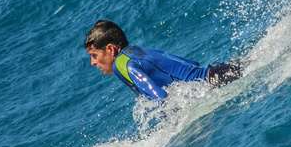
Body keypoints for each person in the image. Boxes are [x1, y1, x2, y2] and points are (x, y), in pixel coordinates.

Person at [82, 19, 240, 100]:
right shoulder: (138, 51)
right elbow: (193, 64)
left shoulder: (120, 64)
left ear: (110, 49)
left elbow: (161, 97)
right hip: (217, 72)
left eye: (94, 56)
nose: (93, 63)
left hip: (213, 83)